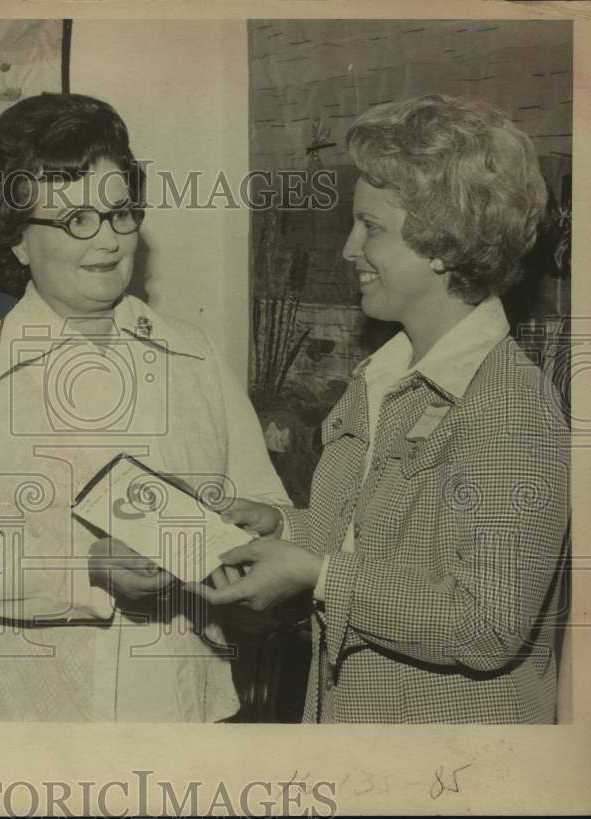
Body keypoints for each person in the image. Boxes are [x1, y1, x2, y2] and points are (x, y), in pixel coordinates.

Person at [198, 94, 570, 723]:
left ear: (441, 247)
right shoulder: (382, 379)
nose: (347, 248)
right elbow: (370, 541)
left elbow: (488, 623)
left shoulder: (510, 411)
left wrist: (316, 576)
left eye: (371, 227)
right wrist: (280, 528)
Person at [0, 92, 290, 721]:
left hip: (182, 703)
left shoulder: (194, 356)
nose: (109, 240)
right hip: (28, 719)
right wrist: (86, 570)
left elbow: (274, 507)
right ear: (16, 241)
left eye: (120, 213)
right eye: (75, 220)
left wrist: (265, 525)